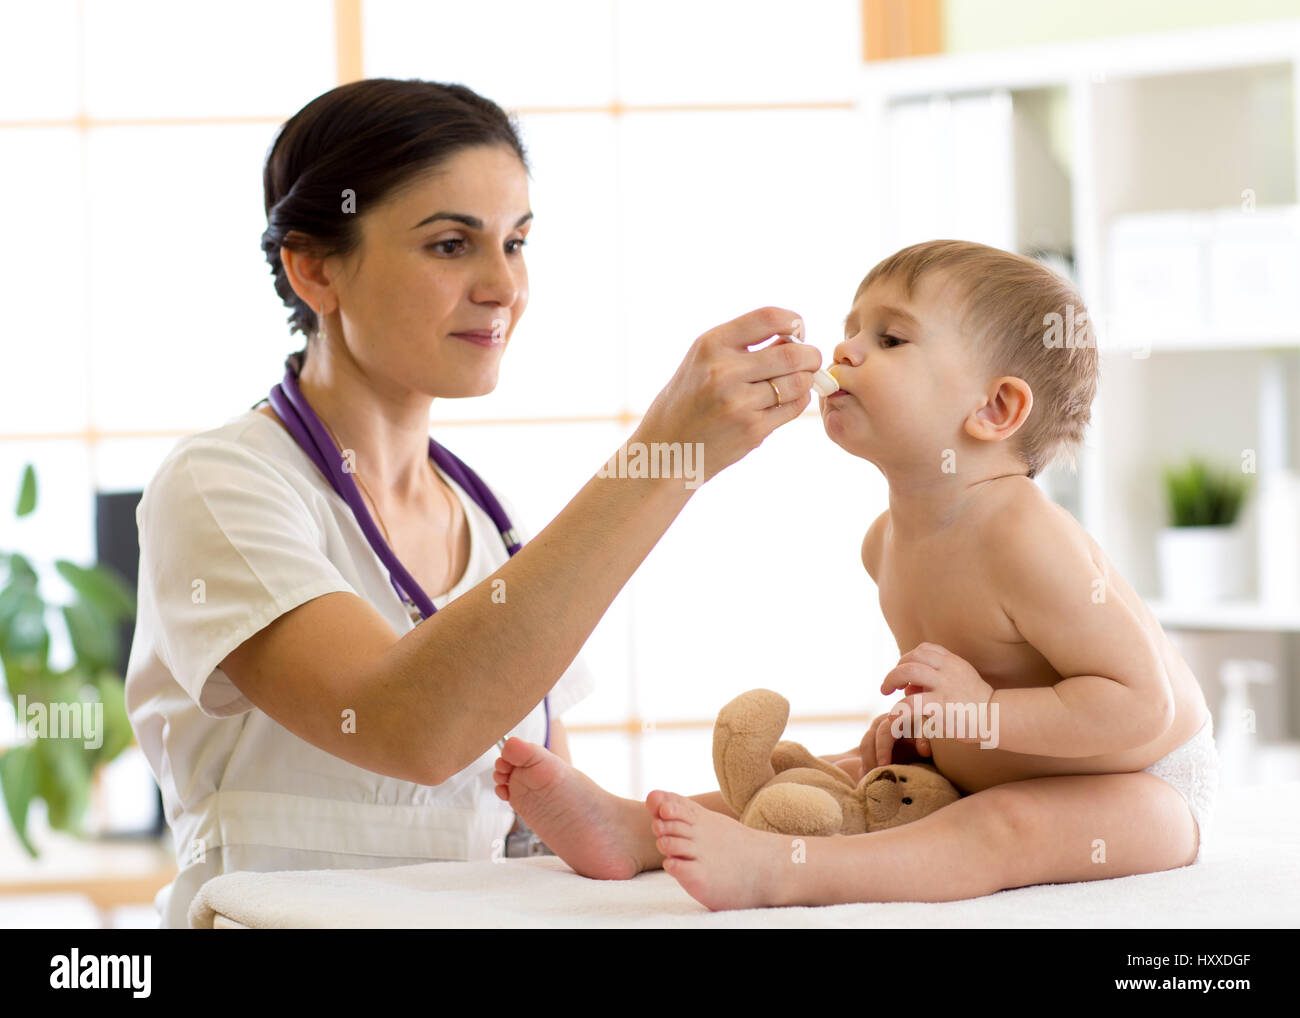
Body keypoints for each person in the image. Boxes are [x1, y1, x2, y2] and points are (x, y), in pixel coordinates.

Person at [123, 77, 824, 928]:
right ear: (313, 268)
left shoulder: (490, 521)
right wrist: (665, 457)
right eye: (451, 245)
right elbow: (406, 728)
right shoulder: (222, 484)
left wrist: (805, 805)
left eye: (517, 242)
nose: (503, 286)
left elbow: (558, 816)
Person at [493, 239, 1222, 911]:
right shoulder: (885, 543)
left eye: (890, 338)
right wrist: (922, 727)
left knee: (1002, 823)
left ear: (995, 408)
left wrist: (979, 717)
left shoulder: (1025, 536)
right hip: (1010, 757)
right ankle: (632, 830)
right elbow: (973, 681)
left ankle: (782, 870)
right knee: (843, 772)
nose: (845, 349)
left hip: (1142, 783)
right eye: (851, 329)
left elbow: (1138, 706)